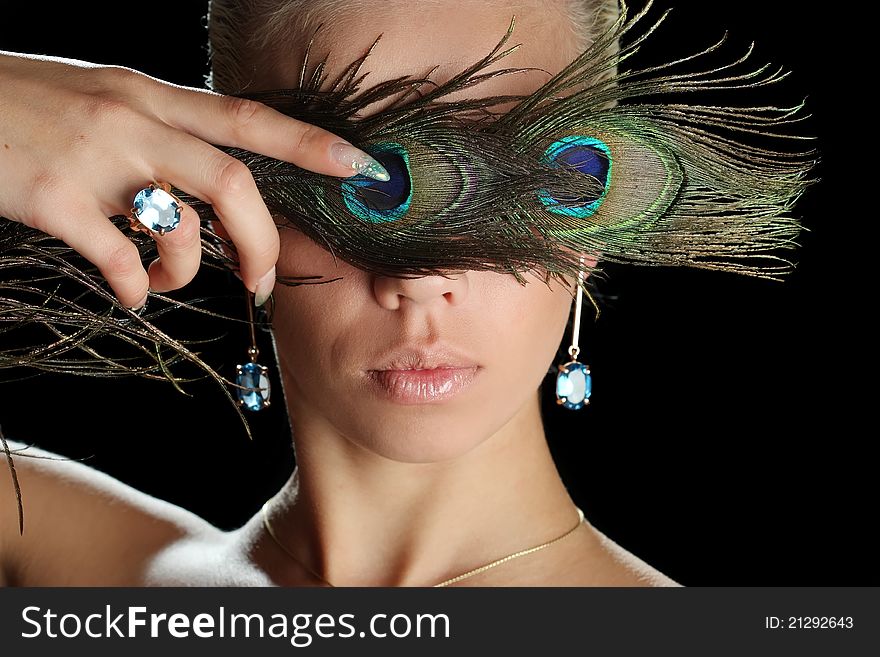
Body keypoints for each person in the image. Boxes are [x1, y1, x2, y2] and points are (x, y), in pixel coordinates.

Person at [0, 0, 814, 587]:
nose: (420, 281)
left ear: (591, 211)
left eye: (516, 178)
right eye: (364, 181)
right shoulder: (57, 558)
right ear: (225, 204)